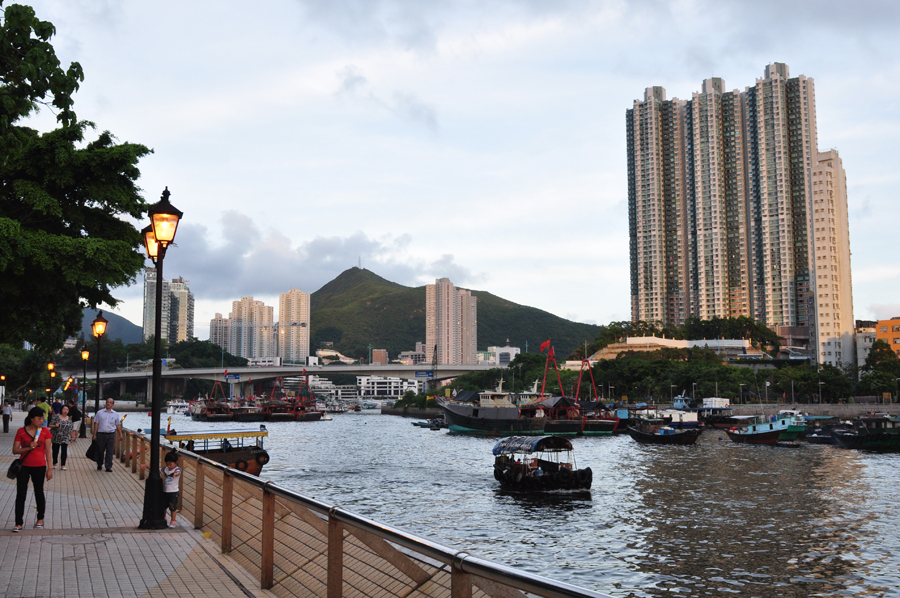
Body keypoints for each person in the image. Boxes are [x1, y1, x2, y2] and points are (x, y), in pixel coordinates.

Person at [12, 407, 53, 532]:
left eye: (42, 418)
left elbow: (48, 451)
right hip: (24, 466)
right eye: (39, 418)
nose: (41, 421)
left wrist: (49, 469)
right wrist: (27, 448)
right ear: (32, 418)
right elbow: (15, 450)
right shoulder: (21, 431)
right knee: (21, 494)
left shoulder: (45, 431)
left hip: (39, 466)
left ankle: (40, 519)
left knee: (39, 492)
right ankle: (18, 523)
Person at [142, 452, 182, 528]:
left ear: (176, 462)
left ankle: (173, 521)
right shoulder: (165, 469)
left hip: (173, 492)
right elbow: (157, 470)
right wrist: (148, 467)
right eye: (167, 464)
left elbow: (178, 472)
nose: (169, 466)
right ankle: (164, 518)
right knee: (163, 506)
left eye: (171, 464)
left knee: (173, 507)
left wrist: (175, 474)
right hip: (165, 491)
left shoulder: (177, 469)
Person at [92, 398, 121, 472]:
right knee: (100, 450)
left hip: (111, 434)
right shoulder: (99, 413)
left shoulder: (115, 414)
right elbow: (96, 424)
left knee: (109, 451)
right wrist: (94, 434)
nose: (108, 403)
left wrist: (120, 434)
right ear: (105, 403)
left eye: (110, 402)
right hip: (101, 434)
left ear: (113, 404)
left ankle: (108, 466)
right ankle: (99, 463)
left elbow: (118, 425)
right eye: (107, 402)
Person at [48, 405, 77, 470]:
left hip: (65, 437)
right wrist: (55, 425)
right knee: (55, 450)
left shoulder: (69, 419)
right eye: (64, 409)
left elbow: (71, 428)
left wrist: (72, 437)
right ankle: (54, 463)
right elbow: (50, 425)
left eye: (67, 409)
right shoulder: (56, 417)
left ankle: (63, 465)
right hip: (56, 436)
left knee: (64, 451)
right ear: (61, 410)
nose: (65, 411)